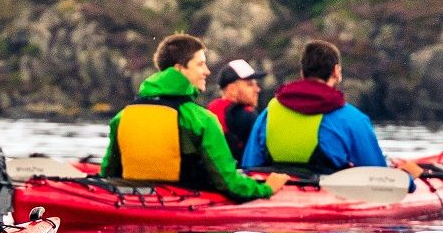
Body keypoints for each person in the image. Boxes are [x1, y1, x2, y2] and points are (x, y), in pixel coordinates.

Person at [100, 33, 278, 199]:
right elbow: (229, 183)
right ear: (179, 68)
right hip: (185, 210)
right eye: (200, 64)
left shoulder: (122, 116)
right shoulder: (201, 119)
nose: (207, 71)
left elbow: (107, 174)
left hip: (135, 200)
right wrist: (267, 189)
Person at [240, 38, 388, 177]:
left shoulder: (268, 113)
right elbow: (378, 175)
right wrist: (409, 177)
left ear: (303, 72)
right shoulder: (352, 118)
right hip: (327, 196)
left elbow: (249, 167)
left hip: (277, 195)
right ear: (336, 71)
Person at [213, 58, 263, 152]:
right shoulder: (248, 116)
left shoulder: (209, 113)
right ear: (232, 89)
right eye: (250, 85)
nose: (257, 89)